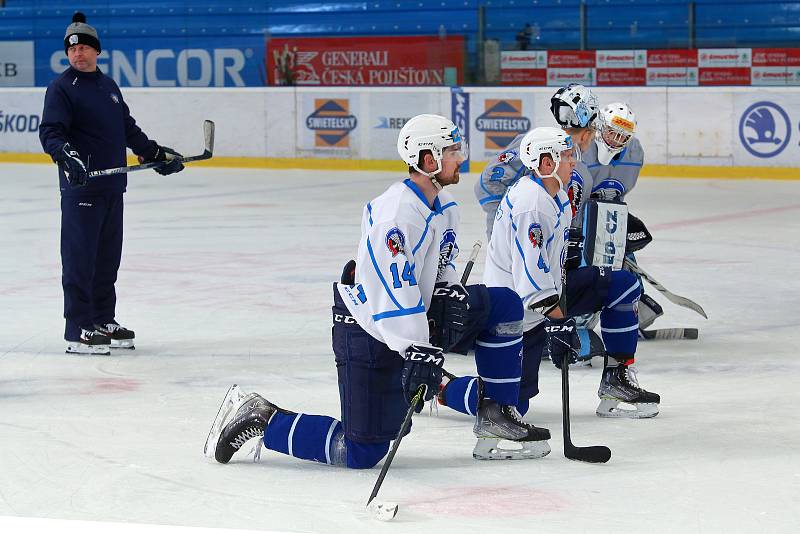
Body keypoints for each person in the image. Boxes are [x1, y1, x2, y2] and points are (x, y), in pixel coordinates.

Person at [205, 114, 551, 468]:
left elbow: (440, 265)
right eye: (452, 150)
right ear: (429, 159)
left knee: (505, 303)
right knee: (361, 452)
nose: (461, 157)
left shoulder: (445, 207)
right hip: (367, 324)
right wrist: (419, 349)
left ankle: (495, 413)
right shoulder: (395, 214)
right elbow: (393, 289)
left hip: (413, 316)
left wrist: (450, 292)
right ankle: (263, 418)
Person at [439, 127, 660, 419]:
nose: (574, 162)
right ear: (546, 164)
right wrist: (561, 324)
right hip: (515, 312)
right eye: (567, 156)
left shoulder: (558, 196)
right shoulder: (531, 204)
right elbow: (531, 285)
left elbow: (556, 262)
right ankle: (438, 386)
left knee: (622, 284)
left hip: (548, 299)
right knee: (509, 406)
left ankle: (616, 379)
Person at [39, 12, 184, 355]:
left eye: (85, 47)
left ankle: (103, 318)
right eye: (72, 49)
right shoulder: (61, 88)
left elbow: (127, 129)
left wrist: (154, 154)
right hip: (82, 188)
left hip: (112, 187)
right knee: (80, 259)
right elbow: (51, 132)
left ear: (96, 51)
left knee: (106, 260)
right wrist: (66, 156)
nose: (78, 54)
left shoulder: (108, 87)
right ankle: (78, 328)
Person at [474, 83, 599, 242]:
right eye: (593, 133)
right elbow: (487, 182)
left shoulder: (576, 164)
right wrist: (505, 215)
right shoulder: (539, 144)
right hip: (519, 229)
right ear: (585, 135)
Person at [580, 102, 664, 333]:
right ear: (600, 128)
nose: (616, 139)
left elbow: (618, 190)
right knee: (582, 261)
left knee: (622, 250)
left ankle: (631, 301)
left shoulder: (634, 152)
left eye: (623, 135)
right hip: (575, 217)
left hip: (607, 211)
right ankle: (578, 312)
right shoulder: (581, 148)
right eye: (612, 132)